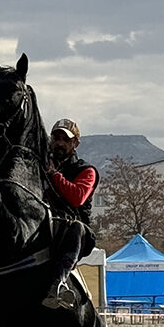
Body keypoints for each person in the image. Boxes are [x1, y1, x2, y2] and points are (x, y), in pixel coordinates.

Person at [43, 118, 98, 308]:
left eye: (65, 139)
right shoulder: (41, 164)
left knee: (76, 227)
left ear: (75, 143)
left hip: (74, 233)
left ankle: (59, 282)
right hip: (45, 225)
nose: (59, 142)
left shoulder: (86, 170)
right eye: (56, 137)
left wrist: (54, 175)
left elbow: (77, 197)